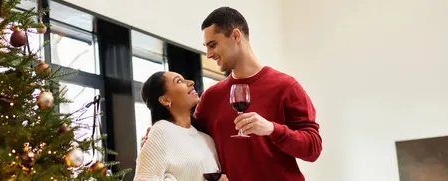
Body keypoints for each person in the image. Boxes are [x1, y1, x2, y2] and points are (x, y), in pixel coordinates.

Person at [142, 7, 322, 181]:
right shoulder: (211, 97)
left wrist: (272, 129)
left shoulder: (286, 86)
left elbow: (313, 148)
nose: (209, 54)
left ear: (236, 36)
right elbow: (191, 138)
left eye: (213, 45)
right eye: (206, 47)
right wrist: (158, 144)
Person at [134, 71, 229, 181]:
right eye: (179, 81)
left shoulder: (207, 139)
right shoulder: (161, 132)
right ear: (165, 100)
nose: (191, 82)